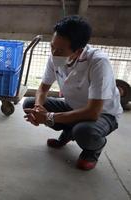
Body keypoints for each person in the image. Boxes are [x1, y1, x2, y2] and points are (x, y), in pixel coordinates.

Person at [23, 15, 123, 170]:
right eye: (52, 47)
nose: (54, 53)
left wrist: (48, 117)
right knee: (29, 103)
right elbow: (43, 88)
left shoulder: (98, 62)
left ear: (78, 51)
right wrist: (38, 108)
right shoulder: (55, 57)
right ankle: (69, 131)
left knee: (84, 131)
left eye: (60, 50)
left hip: (103, 114)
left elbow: (93, 112)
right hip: (73, 106)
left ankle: (93, 150)